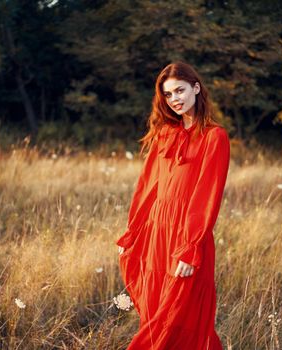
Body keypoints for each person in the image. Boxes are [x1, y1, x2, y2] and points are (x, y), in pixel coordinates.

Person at [116, 61, 230, 349]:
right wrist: (133, 230)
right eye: (168, 95)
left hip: (186, 237)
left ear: (196, 87)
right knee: (155, 312)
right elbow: (148, 187)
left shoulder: (214, 137)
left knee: (182, 315)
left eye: (180, 90)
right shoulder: (166, 134)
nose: (175, 99)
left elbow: (207, 195)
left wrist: (190, 248)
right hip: (157, 234)